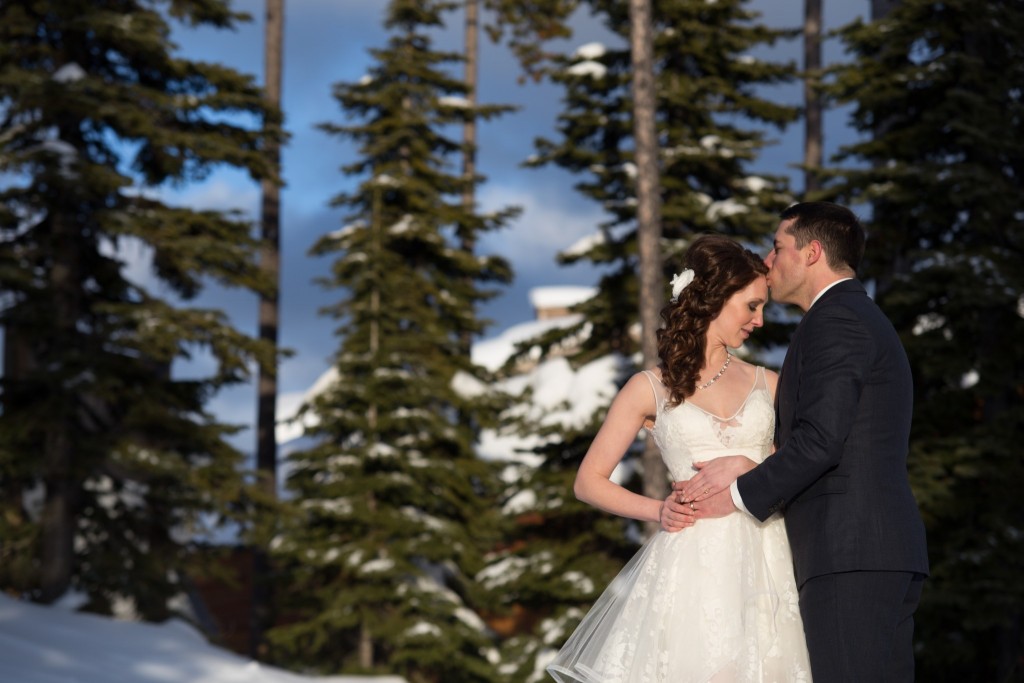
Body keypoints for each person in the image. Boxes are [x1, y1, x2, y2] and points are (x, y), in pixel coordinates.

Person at [675, 202, 929, 682]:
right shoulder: (852, 315)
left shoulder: (838, 320)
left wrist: (734, 496)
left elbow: (820, 440)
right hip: (871, 553)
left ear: (811, 253)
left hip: (850, 553)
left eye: (777, 247)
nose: (768, 261)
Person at [547, 234, 811, 683]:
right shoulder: (648, 387)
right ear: (715, 298)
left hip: (770, 559)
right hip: (694, 568)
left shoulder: (771, 384)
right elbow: (588, 481)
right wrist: (659, 510)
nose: (760, 321)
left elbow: (797, 464)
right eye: (751, 306)